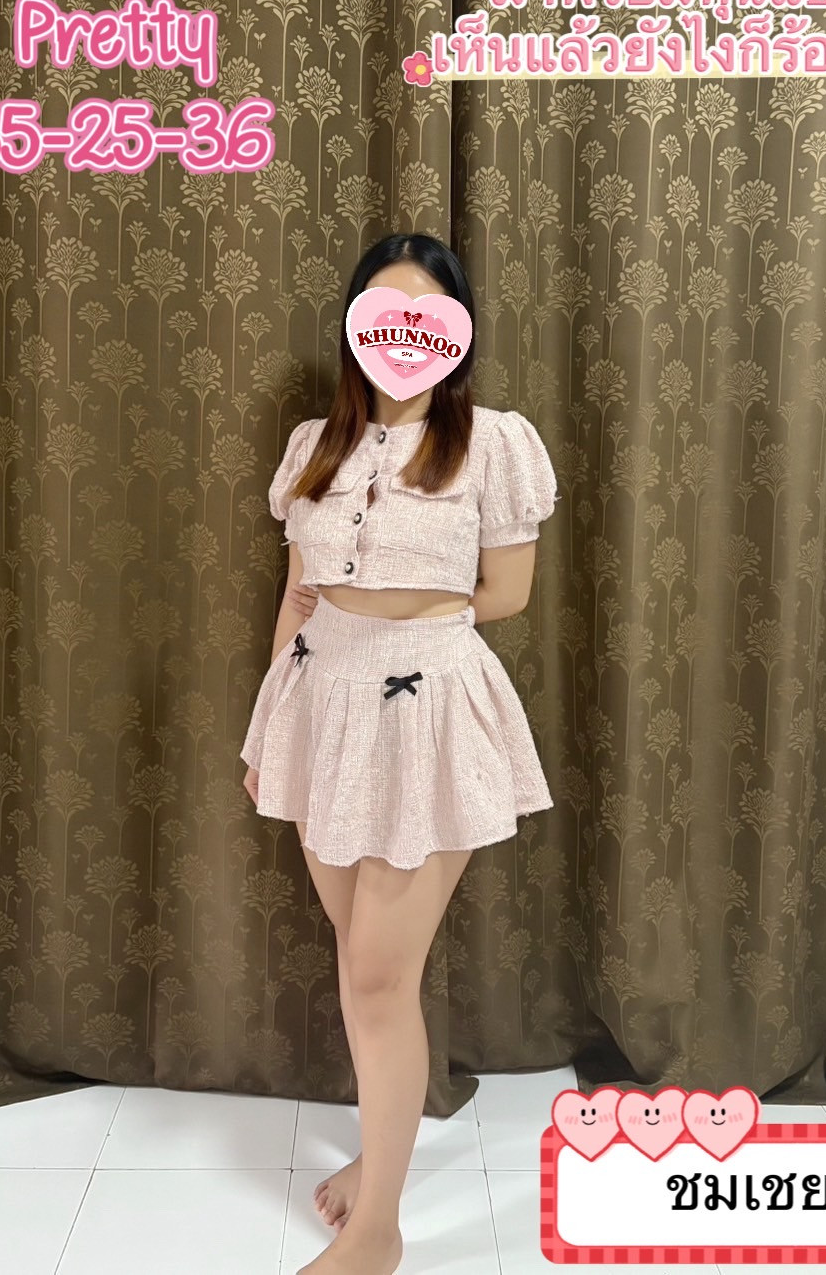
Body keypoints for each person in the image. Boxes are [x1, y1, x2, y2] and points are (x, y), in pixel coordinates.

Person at [239, 232, 560, 1275]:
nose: (406, 335)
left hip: (424, 711)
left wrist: (403, 623)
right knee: (362, 963)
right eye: (386, 314)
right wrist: (269, 726)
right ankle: (380, 1158)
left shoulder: (492, 443)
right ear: (355, 328)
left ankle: (376, 1231)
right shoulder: (315, 444)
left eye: (427, 315)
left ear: (457, 333)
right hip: (318, 701)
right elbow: (298, 593)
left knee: (378, 977)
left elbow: (507, 593)